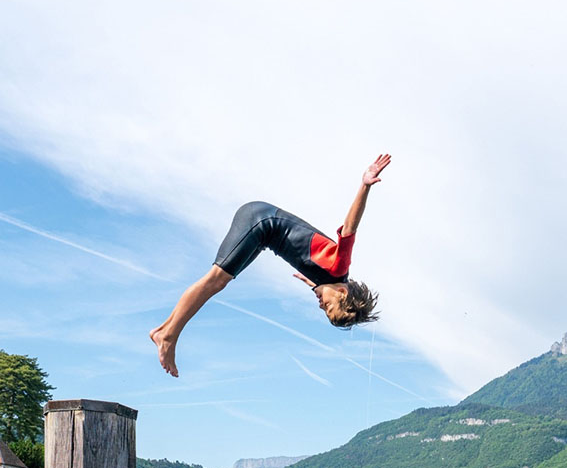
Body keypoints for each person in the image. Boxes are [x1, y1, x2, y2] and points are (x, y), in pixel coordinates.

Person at [150, 153, 391, 377]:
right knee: (217, 280)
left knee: (220, 280)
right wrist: (365, 186)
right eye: (327, 306)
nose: (321, 305)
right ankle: (168, 335)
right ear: (342, 291)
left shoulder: (328, 280)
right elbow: (350, 228)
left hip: (262, 232)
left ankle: (164, 330)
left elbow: (317, 280)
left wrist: (310, 282)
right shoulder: (338, 266)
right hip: (259, 221)